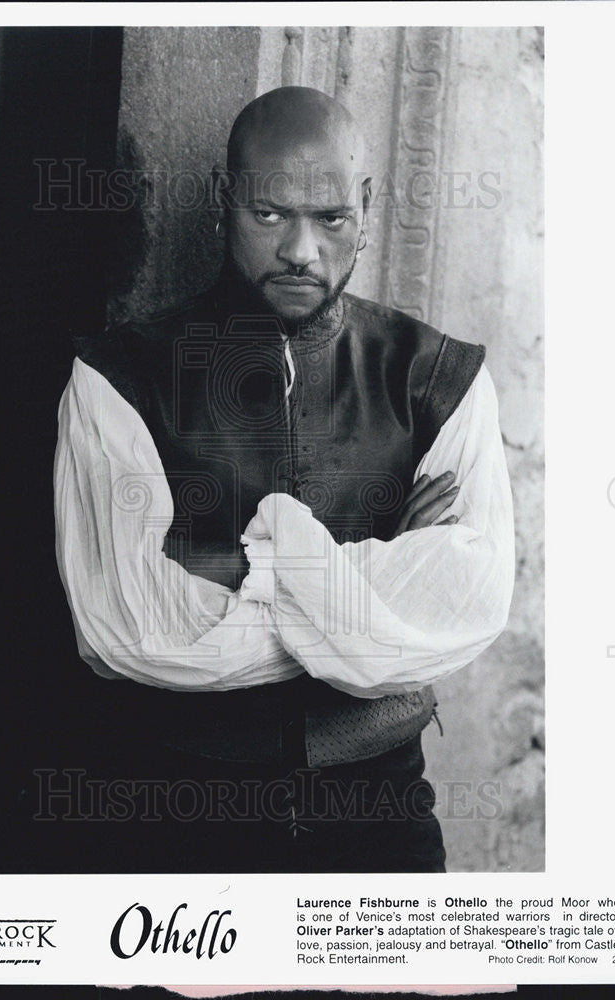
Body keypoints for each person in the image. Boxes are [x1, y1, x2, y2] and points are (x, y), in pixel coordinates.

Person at [53, 86, 515, 873]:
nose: (301, 250)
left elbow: (467, 606)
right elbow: (128, 628)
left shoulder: (438, 378)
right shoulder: (118, 379)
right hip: (179, 806)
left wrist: (223, 570)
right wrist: (379, 571)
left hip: (383, 810)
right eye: (269, 215)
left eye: (331, 218)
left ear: (366, 206)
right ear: (223, 200)